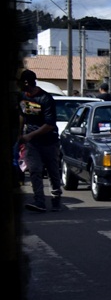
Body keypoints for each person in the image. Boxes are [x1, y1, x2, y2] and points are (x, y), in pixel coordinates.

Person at [18, 69, 63, 212]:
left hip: (49, 141)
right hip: (32, 143)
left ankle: (56, 198)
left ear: (28, 83)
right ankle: (39, 201)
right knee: (35, 170)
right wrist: (20, 134)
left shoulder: (45, 98)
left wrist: (29, 135)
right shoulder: (22, 97)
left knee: (52, 171)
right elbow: (22, 116)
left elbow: (49, 125)